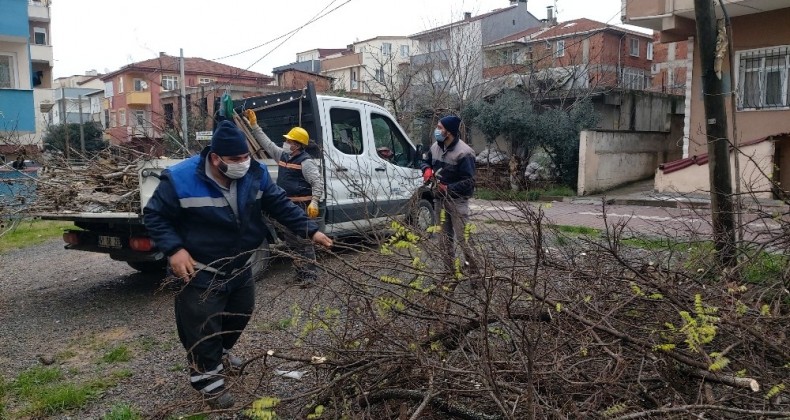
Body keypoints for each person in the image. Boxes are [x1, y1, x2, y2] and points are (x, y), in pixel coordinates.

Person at [143, 120, 332, 409]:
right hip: (201, 268)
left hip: (239, 266)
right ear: (215, 157)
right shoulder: (180, 179)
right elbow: (155, 216)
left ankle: (219, 354)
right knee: (202, 326)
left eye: (245, 157)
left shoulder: (254, 174)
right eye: (235, 159)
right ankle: (207, 380)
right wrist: (174, 249)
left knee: (240, 314)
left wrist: (311, 229)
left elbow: (279, 204)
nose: (243, 163)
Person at [244, 109, 324, 287]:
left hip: (302, 207)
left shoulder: (306, 162)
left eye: (289, 141)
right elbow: (267, 143)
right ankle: (300, 272)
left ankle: (310, 276)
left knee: (304, 242)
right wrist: (255, 126)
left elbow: (317, 182)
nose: (286, 142)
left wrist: (314, 201)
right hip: (287, 207)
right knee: (291, 243)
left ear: (297, 144)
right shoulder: (283, 155)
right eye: (287, 140)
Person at [421, 115, 480, 277]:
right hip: (439, 201)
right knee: (444, 240)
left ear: (449, 132)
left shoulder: (465, 153)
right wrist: (426, 169)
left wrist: (447, 188)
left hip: (457, 202)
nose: (437, 130)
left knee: (464, 239)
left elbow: (469, 182)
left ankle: (475, 273)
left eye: (440, 128)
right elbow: (425, 161)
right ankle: (449, 274)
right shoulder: (435, 147)